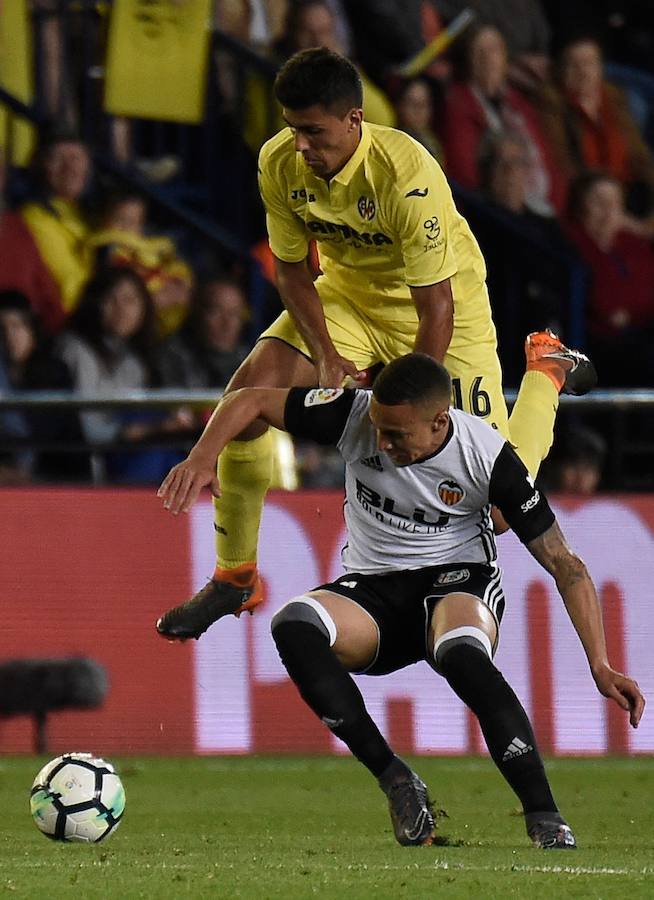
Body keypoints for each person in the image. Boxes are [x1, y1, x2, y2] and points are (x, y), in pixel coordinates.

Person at [156, 47, 595, 640]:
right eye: (293, 130)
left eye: (314, 132)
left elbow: (435, 307)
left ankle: (546, 370)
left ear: (354, 121)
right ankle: (234, 575)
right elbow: (289, 270)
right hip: (350, 298)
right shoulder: (279, 163)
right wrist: (326, 353)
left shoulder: (406, 174)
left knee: (492, 502)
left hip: (447, 309)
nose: (302, 146)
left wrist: (409, 402)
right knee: (252, 392)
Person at [157, 353, 644, 848]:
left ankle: (545, 816)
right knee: (293, 624)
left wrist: (601, 665)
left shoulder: (488, 458)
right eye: (379, 429)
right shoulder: (352, 415)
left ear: (439, 421)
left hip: (458, 582)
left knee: (461, 654)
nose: (383, 444)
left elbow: (567, 566)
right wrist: (202, 456)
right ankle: (395, 779)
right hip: (374, 593)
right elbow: (250, 398)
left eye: (397, 435)